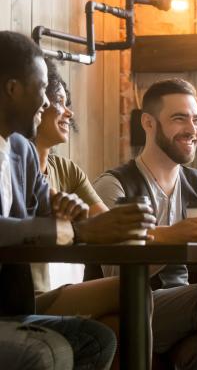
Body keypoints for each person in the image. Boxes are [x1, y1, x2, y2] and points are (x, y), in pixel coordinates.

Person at [0, 30, 155, 369]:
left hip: (11, 307)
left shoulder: (20, 150)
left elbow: (47, 211)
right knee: (47, 352)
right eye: (42, 89)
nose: (46, 102)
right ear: (12, 89)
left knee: (97, 340)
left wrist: (75, 215)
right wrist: (79, 231)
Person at [93, 78, 197, 370]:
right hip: (126, 306)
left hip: (178, 311)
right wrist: (171, 237)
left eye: (196, 119)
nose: (192, 129)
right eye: (179, 118)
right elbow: (113, 271)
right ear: (148, 122)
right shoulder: (114, 185)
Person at [32, 57, 108, 295]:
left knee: (121, 310)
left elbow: (107, 224)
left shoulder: (67, 170)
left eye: (68, 103)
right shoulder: (11, 165)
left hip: (59, 290)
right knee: (123, 293)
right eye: (59, 102)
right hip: (24, 299)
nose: (69, 112)